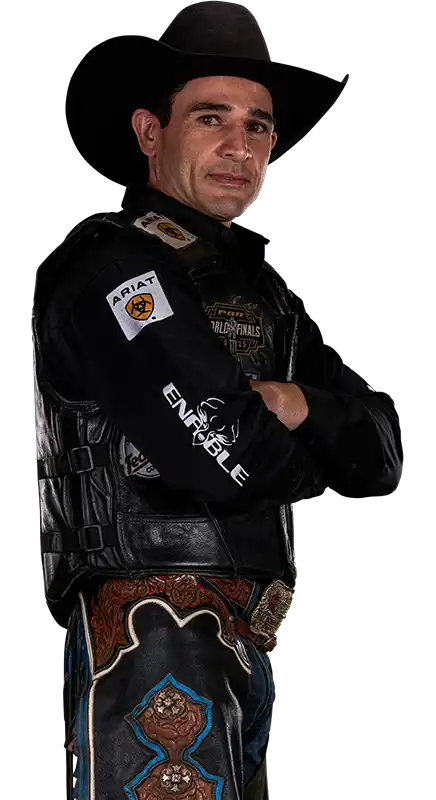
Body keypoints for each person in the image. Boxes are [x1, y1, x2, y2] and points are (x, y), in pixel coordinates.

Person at [32, 3, 403, 798]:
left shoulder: (268, 299)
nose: (240, 146)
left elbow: (382, 455)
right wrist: (303, 441)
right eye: (211, 117)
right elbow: (227, 456)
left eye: (258, 126)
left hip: (237, 644)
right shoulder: (114, 270)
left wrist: (295, 402)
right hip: (153, 632)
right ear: (149, 132)